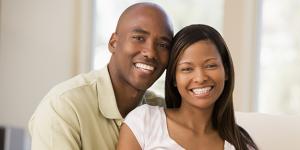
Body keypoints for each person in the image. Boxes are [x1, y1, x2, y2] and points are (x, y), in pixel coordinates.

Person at [28, 2, 173, 150]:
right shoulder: (64, 107)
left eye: (163, 45)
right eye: (139, 38)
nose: (150, 53)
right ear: (113, 43)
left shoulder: (164, 112)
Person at [117, 24, 258, 150]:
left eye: (210, 66)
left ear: (226, 71)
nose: (200, 78)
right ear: (173, 78)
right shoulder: (145, 121)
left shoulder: (241, 144)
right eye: (187, 69)